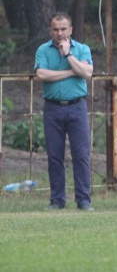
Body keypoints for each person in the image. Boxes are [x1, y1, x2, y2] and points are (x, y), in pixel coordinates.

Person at [34, 13, 94, 211]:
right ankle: (57, 200)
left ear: (71, 30)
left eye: (63, 29)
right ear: (50, 30)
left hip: (77, 107)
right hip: (52, 108)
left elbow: (87, 73)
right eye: (55, 29)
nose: (59, 33)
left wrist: (68, 55)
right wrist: (71, 71)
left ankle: (83, 200)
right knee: (54, 156)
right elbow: (41, 74)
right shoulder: (43, 50)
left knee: (81, 155)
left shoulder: (82, 49)